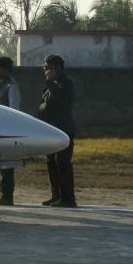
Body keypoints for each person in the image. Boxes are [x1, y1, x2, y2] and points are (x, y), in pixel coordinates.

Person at [38, 54, 78, 208]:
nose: (45, 70)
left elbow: (61, 99)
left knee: (63, 164)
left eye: (48, 67)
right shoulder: (51, 84)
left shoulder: (66, 83)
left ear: (57, 68)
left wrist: (49, 82)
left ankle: (68, 198)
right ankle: (56, 195)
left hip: (63, 131)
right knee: (51, 163)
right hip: (51, 131)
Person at [0, 55, 21, 205]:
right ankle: (3, 193)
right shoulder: (0, 85)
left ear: (7, 69)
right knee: (2, 164)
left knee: (7, 165)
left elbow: (14, 110)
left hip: (7, 131)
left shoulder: (11, 86)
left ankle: (7, 196)